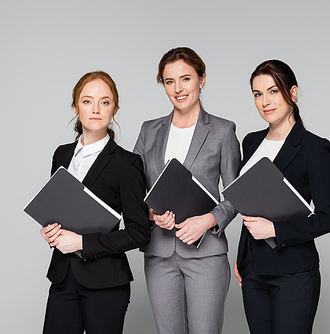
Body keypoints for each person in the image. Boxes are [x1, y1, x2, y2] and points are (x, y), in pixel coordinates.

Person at [133, 47, 240, 334]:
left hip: (206, 255)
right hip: (159, 253)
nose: (178, 89)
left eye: (186, 79)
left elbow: (235, 195)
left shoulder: (223, 130)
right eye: (169, 81)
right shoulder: (149, 130)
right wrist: (153, 214)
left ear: (201, 80)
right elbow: (133, 191)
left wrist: (207, 221)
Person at [233, 59, 330, 334]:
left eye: (273, 91)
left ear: (292, 93)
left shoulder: (314, 148)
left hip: (293, 273)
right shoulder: (251, 141)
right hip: (253, 271)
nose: (265, 102)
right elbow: (249, 202)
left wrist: (276, 230)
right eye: (258, 94)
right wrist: (242, 257)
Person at [39, 71, 150, 334]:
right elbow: (57, 210)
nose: (96, 109)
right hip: (63, 277)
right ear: (75, 106)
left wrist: (82, 243)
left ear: (115, 108)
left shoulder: (127, 164)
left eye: (105, 102)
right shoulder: (61, 155)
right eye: (87, 101)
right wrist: (49, 230)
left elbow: (140, 232)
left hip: (106, 283)